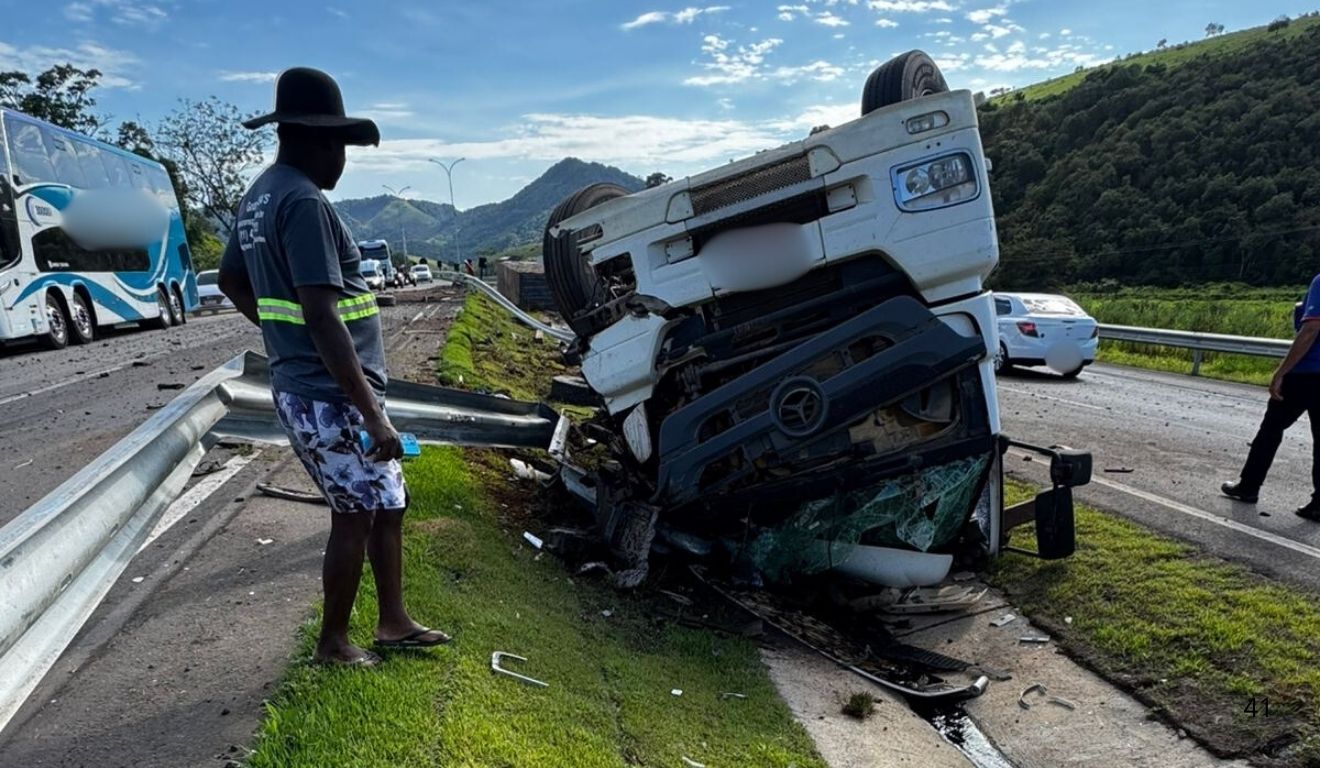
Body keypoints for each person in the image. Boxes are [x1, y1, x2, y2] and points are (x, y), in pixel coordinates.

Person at [218, 67, 450, 666]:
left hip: (322, 385)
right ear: (320, 140)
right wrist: (373, 417)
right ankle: (333, 642)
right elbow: (323, 315)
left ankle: (394, 621)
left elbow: (230, 279)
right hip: (331, 395)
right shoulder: (301, 201)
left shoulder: (259, 195)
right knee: (355, 514)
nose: (343, 161)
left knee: (388, 502)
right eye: (342, 147)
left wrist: (281, 339)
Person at [1222, 274, 1320, 519]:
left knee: (1270, 429)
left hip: (1306, 373)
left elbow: (1310, 328)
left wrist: (1281, 371)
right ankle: (1319, 504)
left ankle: (1249, 486)